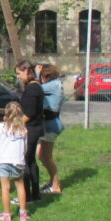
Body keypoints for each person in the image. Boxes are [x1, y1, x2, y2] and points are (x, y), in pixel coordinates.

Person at [15, 60, 45, 204]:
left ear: (27, 71)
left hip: (31, 129)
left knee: (25, 162)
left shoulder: (33, 89)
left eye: (19, 73)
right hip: (35, 128)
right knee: (31, 161)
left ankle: (26, 196)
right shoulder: (35, 85)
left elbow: (30, 112)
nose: (18, 77)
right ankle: (35, 194)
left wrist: (16, 124)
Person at [0, 101, 28, 221]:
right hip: (18, 161)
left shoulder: (0, 127)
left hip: (3, 160)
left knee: (5, 187)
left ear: (6, 115)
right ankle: (23, 214)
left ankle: (7, 215)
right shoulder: (23, 129)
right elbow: (25, 147)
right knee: (20, 185)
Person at [37, 64, 64, 195]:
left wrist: (36, 74)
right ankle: (52, 181)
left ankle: (55, 186)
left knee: (45, 157)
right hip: (48, 123)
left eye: (42, 76)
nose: (41, 79)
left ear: (46, 76)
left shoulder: (53, 85)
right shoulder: (55, 84)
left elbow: (35, 88)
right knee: (42, 156)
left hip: (51, 124)